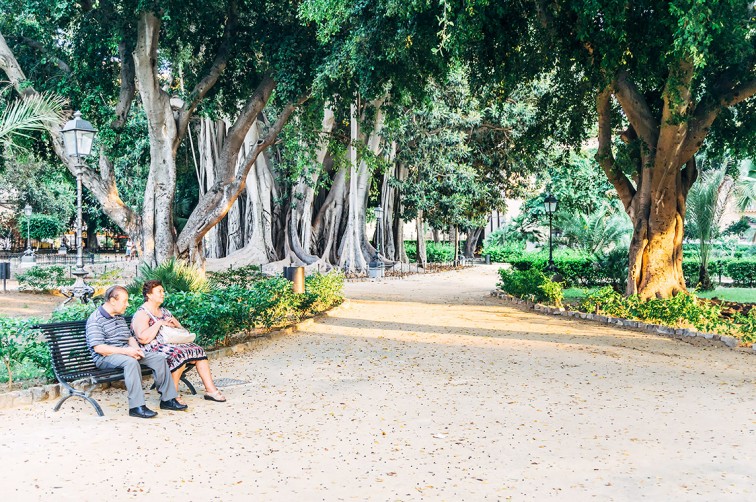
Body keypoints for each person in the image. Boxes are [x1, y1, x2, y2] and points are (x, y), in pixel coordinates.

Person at [85, 285, 188, 418]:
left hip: (124, 352)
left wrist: (136, 349)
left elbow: (129, 337)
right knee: (131, 362)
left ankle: (168, 400)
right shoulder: (96, 319)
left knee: (159, 358)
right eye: (125, 301)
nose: (127, 304)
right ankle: (136, 407)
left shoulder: (118, 316)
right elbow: (99, 348)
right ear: (112, 300)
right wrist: (128, 352)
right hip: (105, 357)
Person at [131, 280, 227, 402]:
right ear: (149, 295)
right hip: (151, 347)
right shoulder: (142, 313)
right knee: (178, 353)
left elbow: (183, 332)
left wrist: (176, 324)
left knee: (198, 350)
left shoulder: (164, 311)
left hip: (170, 343)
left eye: (163, 291)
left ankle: (210, 390)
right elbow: (142, 338)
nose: (162, 294)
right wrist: (159, 323)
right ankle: (173, 394)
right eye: (159, 291)